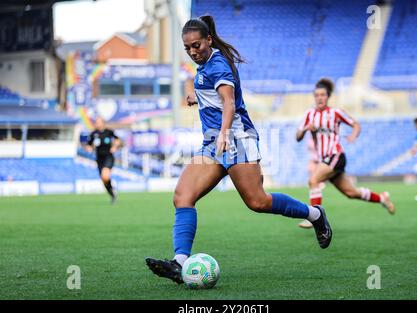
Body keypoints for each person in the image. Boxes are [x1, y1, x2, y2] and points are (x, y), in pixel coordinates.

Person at [145, 15, 333, 284]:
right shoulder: (208, 62)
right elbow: (214, 96)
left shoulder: (218, 65)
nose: (192, 52)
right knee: (182, 196)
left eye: (196, 45)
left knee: (258, 202)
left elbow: (229, 103)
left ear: (208, 40)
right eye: (187, 48)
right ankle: (179, 263)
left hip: (235, 139)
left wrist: (223, 134)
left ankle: (315, 214)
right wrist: (195, 99)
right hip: (213, 142)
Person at [296, 78, 395, 229]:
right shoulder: (310, 115)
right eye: (316, 95)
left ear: (328, 96)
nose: (319, 98)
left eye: (322, 95)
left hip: (336, 155)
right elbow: (298, 137)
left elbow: (355, 124)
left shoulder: (336, 112)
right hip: (326, 159)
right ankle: (382, 198)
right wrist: (305, 129)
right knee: (351, 193)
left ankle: (315, 217)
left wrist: (353, 136)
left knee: (313, 180)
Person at [85, 117, 121, 203]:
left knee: (105, 176)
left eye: (99, 122)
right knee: (104, 179)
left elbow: (117, 140)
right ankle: (112, 194)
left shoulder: (109, 132)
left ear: (103, 123)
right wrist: (89, 148)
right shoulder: (93, 134)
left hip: (108, 157)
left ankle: (112, 193)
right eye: (96, 122)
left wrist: (115, 147)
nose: (97, 124)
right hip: (99, 159)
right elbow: (88, 145)